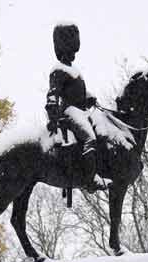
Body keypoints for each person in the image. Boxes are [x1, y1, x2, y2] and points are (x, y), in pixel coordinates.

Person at [46, 23, 107, 193]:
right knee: (89, 138)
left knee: (101, 134)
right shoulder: (58, 70)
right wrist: (53, 115)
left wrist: (89, 97)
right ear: (64, 49)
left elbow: (77, 93)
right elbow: (53, 95)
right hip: (70, 112)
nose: (73, 54)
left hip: (82, 112)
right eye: (71, 50)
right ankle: (90, 179)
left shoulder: (74, 71)